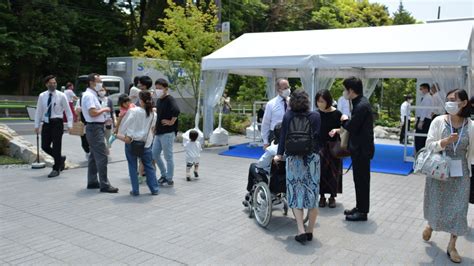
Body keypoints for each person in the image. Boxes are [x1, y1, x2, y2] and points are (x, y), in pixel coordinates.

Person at [422, 89, 472, 263]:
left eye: (454, 100)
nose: (449, 103)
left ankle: (452, 246)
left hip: (461, 171)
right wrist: (444, 142)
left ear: (464, 103)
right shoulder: (438, 121)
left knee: (459, 210)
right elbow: (429, 145)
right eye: (448, 99)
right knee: (437, 202)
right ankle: (431, 224)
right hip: (439, 168)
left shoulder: (471, 125)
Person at [274, 89, 321, 244]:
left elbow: (283, 136)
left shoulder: (288, 116)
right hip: (311, 160)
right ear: (307, 101)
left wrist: (279, 154)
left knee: (295, 194)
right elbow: (318, 138)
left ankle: (300, 230)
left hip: (293, 160)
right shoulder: (315, 115)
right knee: (312, 196)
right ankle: (310, 232)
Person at [335, 77, 374, 222]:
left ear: (351, 90)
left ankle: (362, 211)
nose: (344, 92)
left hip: (362, 150)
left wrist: (344, 119)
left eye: (345, 89)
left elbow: (352, 126)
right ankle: (359, 207)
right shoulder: (360, 103)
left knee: (362, 180)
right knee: (359, 180)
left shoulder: (361, 105)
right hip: (360, 149)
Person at [116, 91, 159, 196]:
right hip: (146, 143)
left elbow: (124, 126)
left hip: (132, 142)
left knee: (132, 166)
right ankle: (154, 189)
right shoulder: (154, 114)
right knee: (148, 166)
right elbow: (152, 129)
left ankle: (135, 190)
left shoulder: (133, 111)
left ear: (141, 101)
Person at [81, 73, 118, 193]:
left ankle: (92, 181)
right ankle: (105, 184)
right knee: (102, 157)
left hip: (95, 127)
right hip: (95, 128)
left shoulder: (91, 95)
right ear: (92, 82)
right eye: (99, 81)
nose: (101, 83)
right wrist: (105, 109)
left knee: (93, 156)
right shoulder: (89, 96)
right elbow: (92, 113)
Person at [34, 75, 73, 178]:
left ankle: (56, 168)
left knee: (56, 146)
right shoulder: (42, 96)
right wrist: (37, 125)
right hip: (46, 123)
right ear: (46, 84)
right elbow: (39, 111)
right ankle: (60, 159)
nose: (53, 85)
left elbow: (68, 112)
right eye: (51, 83)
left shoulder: (61, 95)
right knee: (44, 146)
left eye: (54, 83)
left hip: (57, 123)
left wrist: (70, 124)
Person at [242, 122, 282, 207]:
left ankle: (250, 192)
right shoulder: (292, 149)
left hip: (273, 179)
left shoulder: (272, 149)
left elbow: (260, 164)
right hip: (287, 178)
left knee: (253, 166)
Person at [316, 89, 342, 208]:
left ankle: (332, 197)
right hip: (320, 146)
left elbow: (345, 129)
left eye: (322, 101)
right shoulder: (316, 114)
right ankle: (321, 196)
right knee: (320, 172)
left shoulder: (337, 114)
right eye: (318, 101)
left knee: (334, 172)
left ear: (328, 101)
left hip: (333, 147)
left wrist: (336, 130)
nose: (319, 104)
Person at [153, 78, 180, 186]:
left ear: (166, 89)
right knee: (154, 154)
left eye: (160, 88)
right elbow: (159, 116)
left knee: (168, 157)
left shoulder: (170, 99)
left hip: (168, 133)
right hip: (159, 132)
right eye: (156, 88)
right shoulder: (159, 100)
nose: (157, 90)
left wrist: (171, 122)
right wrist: (155, 127)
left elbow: (176, 110)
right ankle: (164, 174)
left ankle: (169, 178)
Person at [261, 78, 290, 149]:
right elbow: (266, 123)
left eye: (288, 87)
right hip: (275, 135)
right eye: (285, 88)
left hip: (290, 134)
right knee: (275, 158)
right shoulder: (271, 104)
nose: (288, 90)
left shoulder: (292, 102)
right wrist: (265, 141)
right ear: (278, 90)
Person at [415, 83, 433, 153]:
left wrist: (421, 121)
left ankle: (420, 153)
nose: (420, 91)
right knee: (420, 138)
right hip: (424, 119)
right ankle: (419, 153)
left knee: (420, 138)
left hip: (424, 120)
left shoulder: (428, 98)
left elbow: (425, 110)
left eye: (421, 89)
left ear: (426, 89)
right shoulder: (426, 97)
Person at [98, 87, 115, 153]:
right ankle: (104, 148)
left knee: (108, 136)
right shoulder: (96, 99)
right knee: (101, 136)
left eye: (102, 90)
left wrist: (114, 120)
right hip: (99, 121)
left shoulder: (109, 100)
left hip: (108, 121)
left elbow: (112, 111)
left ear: (105, 91)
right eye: (100, 90)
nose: (101, 92)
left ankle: (107, 147)